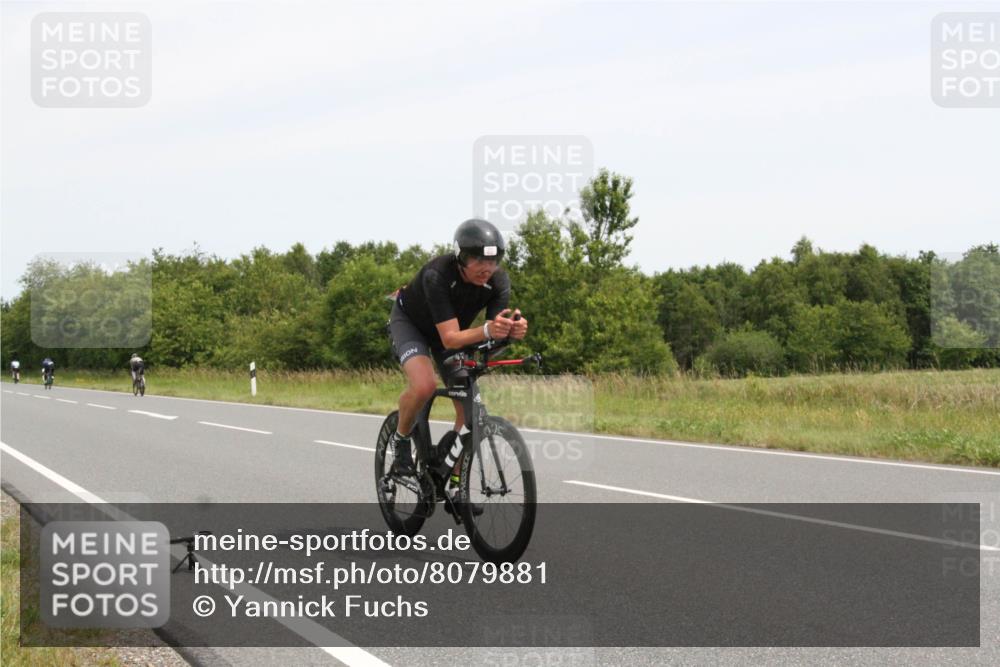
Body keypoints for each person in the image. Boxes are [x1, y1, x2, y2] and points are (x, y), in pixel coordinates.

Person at [386, 219, 528, 487]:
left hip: (452, 334)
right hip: (412, 325)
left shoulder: (498, 282)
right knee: (424, 385)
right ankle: (402, 440)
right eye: (478, 261)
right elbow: (451, 338)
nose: (487, 268)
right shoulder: (437, 274)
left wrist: (510, 332)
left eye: (493, 261)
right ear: (461, 258)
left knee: (469, 412)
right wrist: (488, 330)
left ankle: (454, 480)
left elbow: (491, 336)